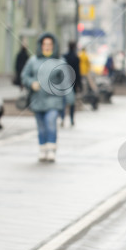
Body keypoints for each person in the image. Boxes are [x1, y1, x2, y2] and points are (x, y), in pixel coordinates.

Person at [20, 32, 67, 162]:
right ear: (41, 46)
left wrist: (68, 98)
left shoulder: (60, 61)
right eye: (45, 44)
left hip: (53, 101)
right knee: (40, 126)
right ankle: (43, 149)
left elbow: (66, 81)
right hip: (37, 100)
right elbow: (24, 76)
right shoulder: (33, 61)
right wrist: (31, 83)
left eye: (49, 44)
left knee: (50, 123)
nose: (47, 46)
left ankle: (51, 149)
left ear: (54, 46)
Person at [62, 41, 81, 127]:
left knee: (63, 101)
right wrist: (79, 84)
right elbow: (77, 72)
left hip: (64, 82)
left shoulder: (64, 57)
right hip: (73, 82)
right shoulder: (76, 58)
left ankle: (62, 118)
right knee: (72, 102)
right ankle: (72, 119)